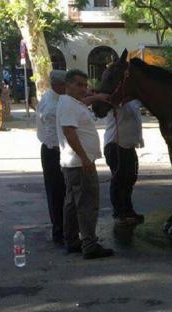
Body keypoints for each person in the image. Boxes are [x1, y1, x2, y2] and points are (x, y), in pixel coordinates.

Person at [56, 69, 114, 259]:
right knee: (87, 204)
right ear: (68, 85)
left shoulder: (72, 103)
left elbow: (83, 103)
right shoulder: (68, 105)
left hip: (75, 163)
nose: (83, 89)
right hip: (80, 163)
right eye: (78, 84)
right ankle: (89, 245)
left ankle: (72, 240)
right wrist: (84, 158)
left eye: (85, 85)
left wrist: (97, 98)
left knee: (73, 202)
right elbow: (69, 133)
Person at [36, 70, 67, 245]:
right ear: (59, 85)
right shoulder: (53, 106)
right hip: (54, 151)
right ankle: (60, 231)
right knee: (57, 192)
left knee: (59, 191)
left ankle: (62, 228)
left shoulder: (52, 96)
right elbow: (54, 137)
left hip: (53, 149)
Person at [103, 100, 145, 226]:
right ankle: (119, 213)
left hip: (128, 147)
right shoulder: (115, 101)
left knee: (130, 179)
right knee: (119, 181)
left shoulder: (134, 102)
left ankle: (128, 211)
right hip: (115, 146)